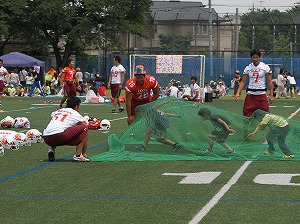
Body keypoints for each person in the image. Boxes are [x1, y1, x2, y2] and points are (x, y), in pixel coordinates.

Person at [235, 49, 274, 137]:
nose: (255, 59)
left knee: (267, 115)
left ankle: (273, 133)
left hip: (261, 94)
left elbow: (269, 81)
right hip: (251, 95)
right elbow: (243, 81)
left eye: (257, 57)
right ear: (251, 58)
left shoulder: (265, 67)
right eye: (253, 57)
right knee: (247, 117)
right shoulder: (248, 68)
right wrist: (238, 92)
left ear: (260, 57)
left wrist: (271, 94)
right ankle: (246, 134)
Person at [43, 97, 89, 162]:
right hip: (59, 136)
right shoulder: (74, 113)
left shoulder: (58, 111)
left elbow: (53, 115)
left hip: (46, 138)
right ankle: (79, 155)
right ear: (76, 106)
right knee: (84, 127)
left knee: (58, 128)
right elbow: (84, 124)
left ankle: (51, 149)